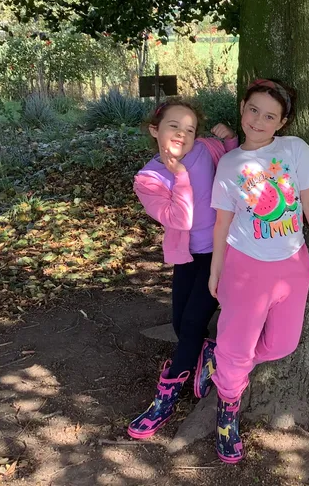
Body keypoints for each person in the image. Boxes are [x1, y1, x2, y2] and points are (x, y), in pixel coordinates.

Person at [207, 78, 309, 463]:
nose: (259, 120)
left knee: (282, 344)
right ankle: (228, 407)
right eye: (254, 110)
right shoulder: (230, 164)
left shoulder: (295, 150)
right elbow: (222, 224)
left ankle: (224, 361)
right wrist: (215, 271)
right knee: (238, 346)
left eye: (270, 116)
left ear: (282, 122)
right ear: (242, 108)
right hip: (245, 267)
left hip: (292, 264)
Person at [127, 99, 238, 439]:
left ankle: (166, 397)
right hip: (188, 256)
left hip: (221, 252)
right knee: (179, 323)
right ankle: (205, 351)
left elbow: (236, 162)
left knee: (190, 324)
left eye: (190, 129)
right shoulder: (148, 178)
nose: (182, 134)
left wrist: (230, 139)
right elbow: (180, 218)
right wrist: (179, 175)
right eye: (174, 126)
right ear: (155, 130)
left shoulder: (206, 150)